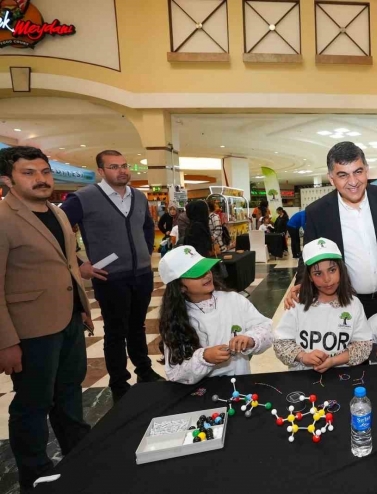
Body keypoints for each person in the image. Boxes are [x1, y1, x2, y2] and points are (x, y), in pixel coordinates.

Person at [0, 147, 93, 491]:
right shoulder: (4, 219)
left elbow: (68, 266)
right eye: (29, 173)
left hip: (67, 321)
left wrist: (82, 307)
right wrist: (6, 341)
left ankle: (80, 452)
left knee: (70, 392)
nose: (41, 179)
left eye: (45, 171)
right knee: (33, 404)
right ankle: (35, 471)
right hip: (30, 330)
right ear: (7, 179)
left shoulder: (57, 212)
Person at [61, 149, 163, 402]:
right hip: (110, 277)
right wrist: (78, 263)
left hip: (141, 274)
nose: (122, 170)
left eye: (124, 165)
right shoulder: (83, 198)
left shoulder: (138, 197)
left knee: (137, 326)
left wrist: (144, 251)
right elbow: (57, 231)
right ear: (101, 171)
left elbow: (147, 227)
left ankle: (145, 371)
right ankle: (119, 383)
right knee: (116, 332)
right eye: (114, 166)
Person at [287, 142, 377, 322]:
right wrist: (300, 284)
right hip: (345, 303)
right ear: (331, 178)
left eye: (358, 172)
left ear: (366, 170)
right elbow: (309, 255)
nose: (353, 182)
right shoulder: (318, 212)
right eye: (343, 175)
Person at [158, 246, 273, 384]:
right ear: (180, 286)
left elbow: (266, 328)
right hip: (202, 393)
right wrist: (204, 358)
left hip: (240, 384)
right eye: (197, 274)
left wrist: (250, 339)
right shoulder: (176, 320)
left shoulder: (233, 300)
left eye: (206, 269)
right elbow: (175, 373)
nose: (206, 275)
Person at [274, 238, 372, 372]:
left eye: (332, 270)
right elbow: (280, 343)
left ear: (341, 270)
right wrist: (303, 356)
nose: (327, 279)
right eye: (318, 273)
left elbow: (364, 346)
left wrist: (333, 361)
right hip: (302, 376)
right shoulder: (297, 303)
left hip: (341, 375)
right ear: (309, 276)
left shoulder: (354, 304)